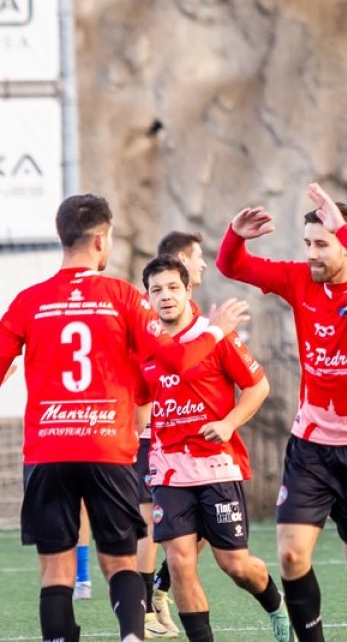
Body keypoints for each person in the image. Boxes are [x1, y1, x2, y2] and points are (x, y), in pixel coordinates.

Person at [0, 194, 249, 642]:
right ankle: (131, 637)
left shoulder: (27, 301)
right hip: (108, 449)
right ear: (102, 239)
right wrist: (216, 328)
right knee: (121, 562)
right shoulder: (122, 296)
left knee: (56, 571)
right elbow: (174, 361)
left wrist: (4, 369)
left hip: (48, 452)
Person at [217, 183, 347, 642]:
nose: (312, 254)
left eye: (322, 244)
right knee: (291, 556)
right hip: (312, 447)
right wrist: (235, 236)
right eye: (307, 244)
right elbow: (231, 265)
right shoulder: (300, 279)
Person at [135, 254, 291, 642]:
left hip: (218, 468)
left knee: (234, 565)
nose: (165, 296)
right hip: (168, 470)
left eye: (173, 287)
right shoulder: (147, 346)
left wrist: (228, 422)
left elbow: (258, 386)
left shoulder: (216, 335)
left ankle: (276, 603)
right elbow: (139, 401)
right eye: (156, 290)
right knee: (180, 561)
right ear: (147, 296)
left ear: (189, 290)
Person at [140, 231, 210, 637]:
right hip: (154, 438)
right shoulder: (154, 314)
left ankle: (161, 588)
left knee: (198, 532)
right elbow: (162, 368)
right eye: (198, 257)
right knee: (152, 525)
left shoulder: (192, 310)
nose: (203, 264)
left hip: (193, 444)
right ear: (183, 259)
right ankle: (145, 610)